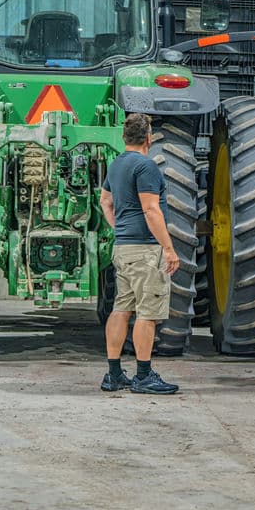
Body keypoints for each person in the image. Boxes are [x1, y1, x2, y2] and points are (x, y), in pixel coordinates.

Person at [98, 113, 180, 395]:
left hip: (123, 247)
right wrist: (168, 248)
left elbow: (105, 201)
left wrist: (119, 227)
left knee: (122, 308)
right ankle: (143, 376)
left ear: (124, 137)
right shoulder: (146, 166)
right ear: (149, 137)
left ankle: (114, 374)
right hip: (145, 249)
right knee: (147, 312)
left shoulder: (117, 164)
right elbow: (151, 209)